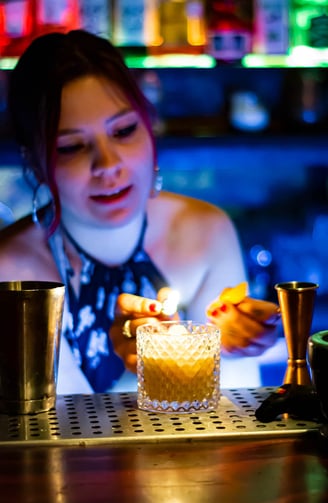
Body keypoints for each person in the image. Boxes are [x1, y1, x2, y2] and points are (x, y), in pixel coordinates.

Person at [0, 30, 281, 393]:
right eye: (70, 147)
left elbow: (233, 417)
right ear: (35, 163)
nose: (107, 164)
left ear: (150, 127)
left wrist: (230, 350)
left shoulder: (205, 232)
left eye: (124, 130)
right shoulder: (10, 271)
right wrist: (133, 365)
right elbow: (41, 434)